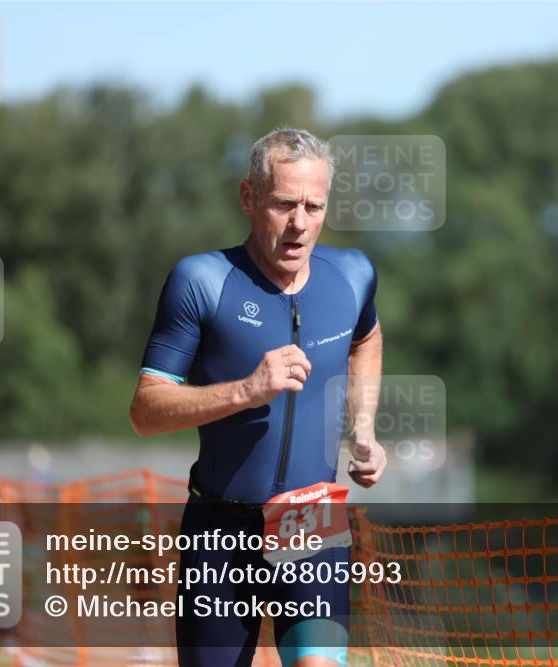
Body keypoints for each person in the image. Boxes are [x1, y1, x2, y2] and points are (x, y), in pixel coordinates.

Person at [130, 127, 386, 667]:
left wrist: (363, 425)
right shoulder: (202, 280)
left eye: (314, 207)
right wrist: (247, 390)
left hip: (310, 522)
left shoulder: (352, 275)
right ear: (248, 198)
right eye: (284, 204)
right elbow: (146, 410)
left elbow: (367, 338)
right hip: (220, 530)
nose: (300, 224)